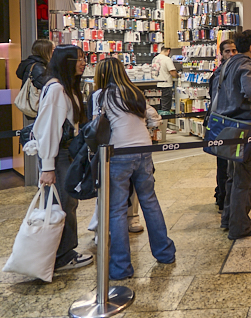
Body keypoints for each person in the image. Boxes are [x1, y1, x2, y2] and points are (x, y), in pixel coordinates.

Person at [91, 58, 174, 279]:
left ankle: (121, 267)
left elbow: (94, 126)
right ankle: (165, 253)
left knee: (117, 209)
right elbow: (153, 115)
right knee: (149, 200)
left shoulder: (100, 96)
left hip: (118, 153)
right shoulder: (134, 92)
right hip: (144, 149)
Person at [32, 44, 93, 271]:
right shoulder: (57, 89)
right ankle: (62, 256)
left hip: (65, 154)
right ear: (65, 61)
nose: (83, 62)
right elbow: (49, 130)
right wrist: (47, 166)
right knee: (62, 204)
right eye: (78, 58)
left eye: (83, 57)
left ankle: (63, 252)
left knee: (67, 203)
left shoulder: (66, 88)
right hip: (58, 156)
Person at [215, 30, 251, 241]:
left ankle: (229, 219)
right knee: (247, 178)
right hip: (246, 128)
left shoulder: (227, 64)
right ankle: (240, 226)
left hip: (228, 127)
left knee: (233, 177)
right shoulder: (248, 65)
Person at [210, 39, 237, 212]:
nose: (231, 54)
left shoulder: (234, 72)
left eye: (234, 50)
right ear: (221, 54)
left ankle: (224, 196)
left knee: (230, 165)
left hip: (232, 125)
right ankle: (223, 198)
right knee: (224, 165)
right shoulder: (220, 74)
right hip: (222, 124)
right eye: (228, 51)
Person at [16, 39, 53, 104]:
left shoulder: (31, 63)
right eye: (52, 49)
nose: (54, 52)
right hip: (37, 104)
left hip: (31, 102)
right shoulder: (38, 67)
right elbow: (47, 85)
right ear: (45, 51)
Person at [151, 46, 177, 112]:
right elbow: (173, 73)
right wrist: (178, 75)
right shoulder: (167, 59)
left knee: (158, 106)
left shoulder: (155, 58)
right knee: (166, 108)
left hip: (157, 85)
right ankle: (164, 121)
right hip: (166, 85)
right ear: (168, 51)